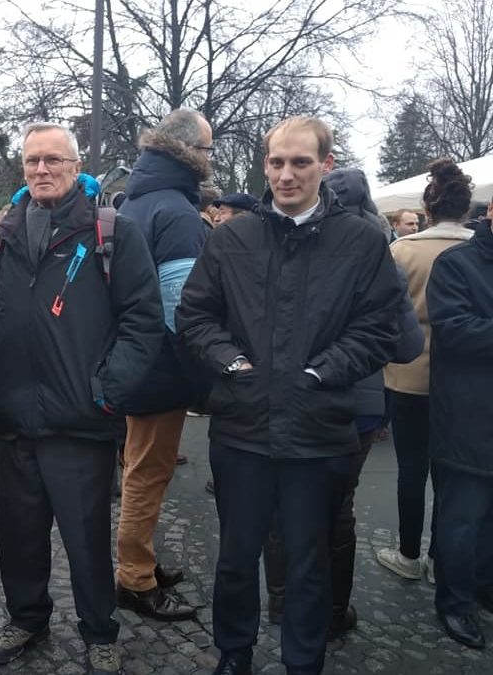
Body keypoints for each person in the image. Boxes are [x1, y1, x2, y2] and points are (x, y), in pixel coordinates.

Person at [176, 116, 402, 675]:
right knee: (234, 560)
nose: (286, 174)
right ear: (264, 164)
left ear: (326, 165)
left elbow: (381, 328)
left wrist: (323, 372)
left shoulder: (363, 241)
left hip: (318, 429)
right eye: (276, 162)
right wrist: (231, 361)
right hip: (243, 426)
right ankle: (234, 655)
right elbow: (195, 314)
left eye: (300, 162)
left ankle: (305, 661)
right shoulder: (232, 237)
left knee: (308, 563)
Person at [0, 122, 164, 675]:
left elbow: (143, 322)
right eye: (33, 162)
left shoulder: (111, 232)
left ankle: (99, 628)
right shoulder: (4, 234)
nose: (42, 171)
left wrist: (107, 390)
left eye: (53, 160)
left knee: (85, 540)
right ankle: (27, 618)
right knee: (19, 536)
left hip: (80, 419)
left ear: (75, 167)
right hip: (16, 417)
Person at [261, 166, 424, 640]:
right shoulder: (380, 257)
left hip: (290, 397)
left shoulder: (283, 251)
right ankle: (331, 613)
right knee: (337, 508)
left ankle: (281, 603)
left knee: (279, 500)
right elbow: (407, 346)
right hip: (359, 406)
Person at [113, 108, 213, 622]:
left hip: (133, 359)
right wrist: (202, 375)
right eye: (208, 150)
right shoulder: (174, 211)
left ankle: (141, 561)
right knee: (147, 474)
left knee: (138, 466)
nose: (211, 159)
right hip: (160, 366)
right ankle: (133, 577)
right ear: (189, 153)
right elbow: (183, 311)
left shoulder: (135, 201)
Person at [378, 159, 475, 584]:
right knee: (452, 472)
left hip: (408, 373)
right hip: (465, 376)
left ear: (428, 208)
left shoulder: (403, 250)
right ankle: (441, 558)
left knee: (411, 469)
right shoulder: (478, 250)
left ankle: (408, 552)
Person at [427, 197, 493, 651]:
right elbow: (453, 329)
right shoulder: (457, 263)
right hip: (469, 415)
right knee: (463, 517)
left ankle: (484, 587)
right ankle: (455, 601)